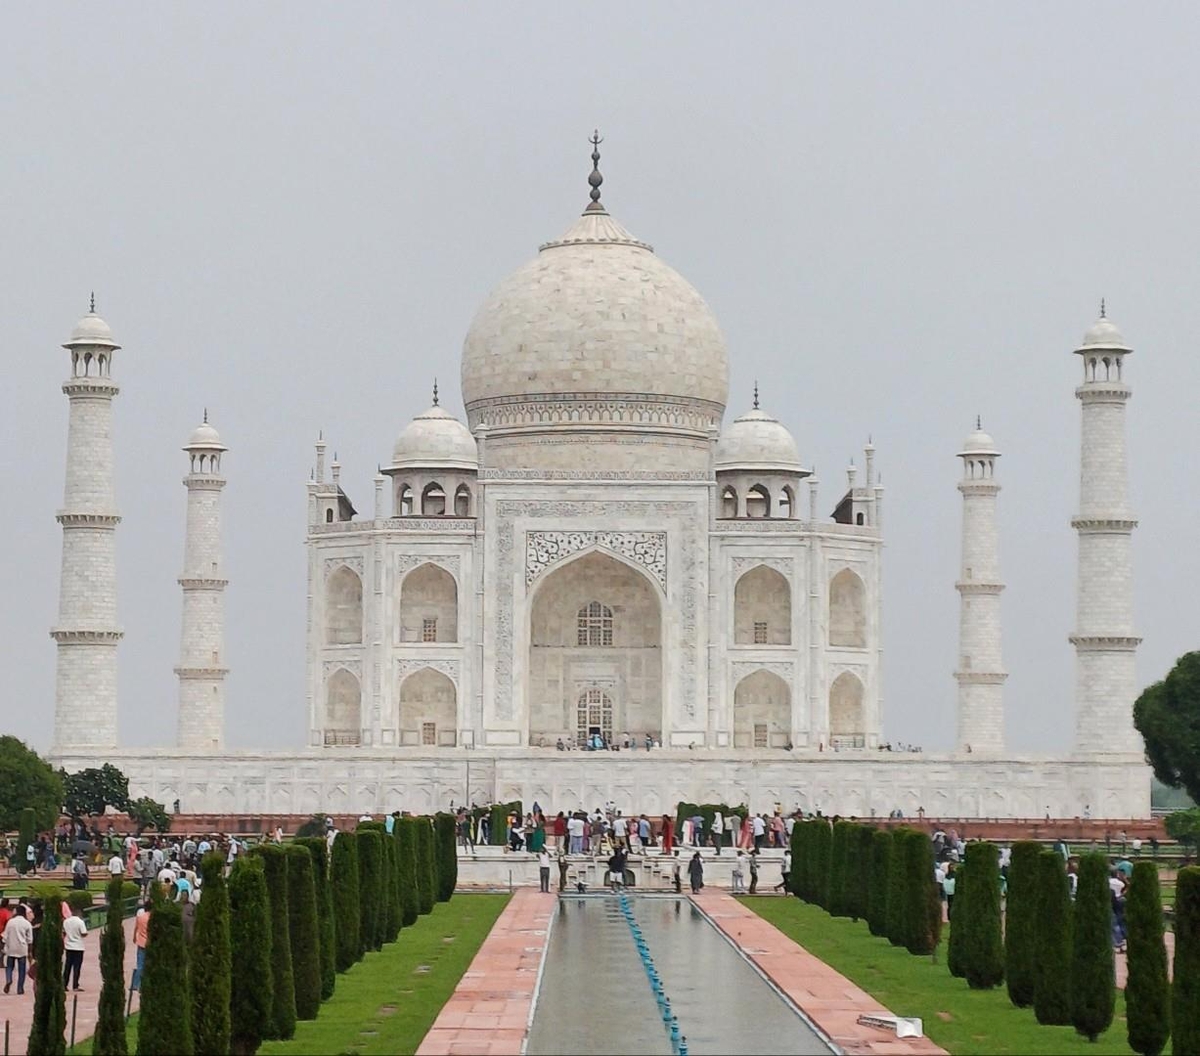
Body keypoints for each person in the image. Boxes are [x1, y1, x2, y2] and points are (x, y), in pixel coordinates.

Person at [3, 905, 34, 994]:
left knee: (9, 967)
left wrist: (4, 946)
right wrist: (30, 952)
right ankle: (20, 988)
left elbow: (5, 936)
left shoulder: (10, 922)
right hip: (22, 949)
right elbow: (30, 940)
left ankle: (9, 979)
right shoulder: (27, 923)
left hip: (11, 948)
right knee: (22, 970)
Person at [63, 905, 88, 991]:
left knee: (67, 966)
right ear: (79, 913)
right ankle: (75, 985)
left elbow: (63, 932)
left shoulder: (66, 921)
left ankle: (64, 984)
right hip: (78, 946)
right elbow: (84, 933)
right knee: (77, 967)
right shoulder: (80, 922)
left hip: (69, 946)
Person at [131, 900, 151, 990]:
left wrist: (134, 937)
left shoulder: (140, 917)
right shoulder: (153, 918)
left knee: (140, 965)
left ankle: (136, 984)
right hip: (150, 943)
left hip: (141, 942)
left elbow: (136, 928)